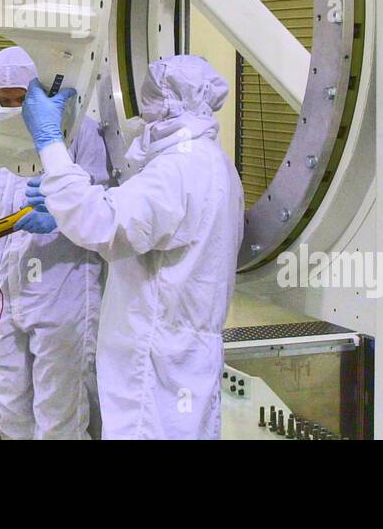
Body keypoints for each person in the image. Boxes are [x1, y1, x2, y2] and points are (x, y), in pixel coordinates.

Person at [18, 55, 243, 440]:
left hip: (154, 368)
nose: (144, 114)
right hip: (184, 359)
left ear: (168, 103)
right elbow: (147, 223)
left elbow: (105, 225)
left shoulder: (178, 168)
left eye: (149, 100)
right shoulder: (212, 163)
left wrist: (51, 145)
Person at [0, 46, 111, 440]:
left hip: (62, 291)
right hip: (9, 296)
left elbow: (104, 210)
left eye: (21, 99)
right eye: (4, 100)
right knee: (10, 405)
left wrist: (60, 216)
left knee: (59, 414)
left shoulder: (79, 133)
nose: (13, 108)